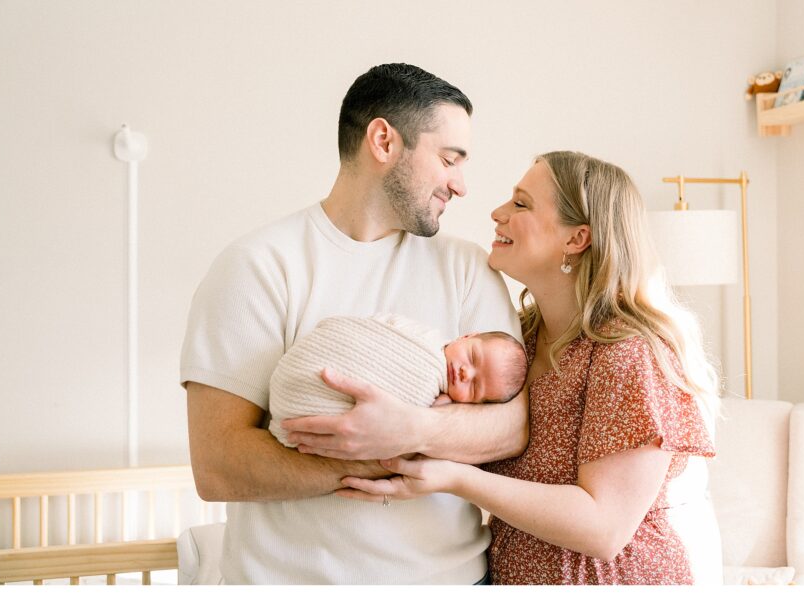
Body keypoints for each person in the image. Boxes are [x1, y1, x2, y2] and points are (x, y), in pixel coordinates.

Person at [180, 63, 528, 585]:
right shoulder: (258, 267)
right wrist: (373, 455)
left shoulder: (468, 268)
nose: (461, 185)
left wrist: (410, 430)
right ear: (384, 141)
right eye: (449, 159)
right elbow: (219, 465)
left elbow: (513, 427)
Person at [337, 151, 724, 585]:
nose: (498, 213)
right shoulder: (519, 340)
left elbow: (604, 529)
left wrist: (454, 478)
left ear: (577, 239)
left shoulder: (627, 353)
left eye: (521, 204)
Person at [268, 313, 527, 448]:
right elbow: (381, 323)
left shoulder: (440, 404)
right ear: (467, 337)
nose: (465, 373)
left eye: (474, 387)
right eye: (472, 357)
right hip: (325, 356)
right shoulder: (424, 335)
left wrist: (438, 411)